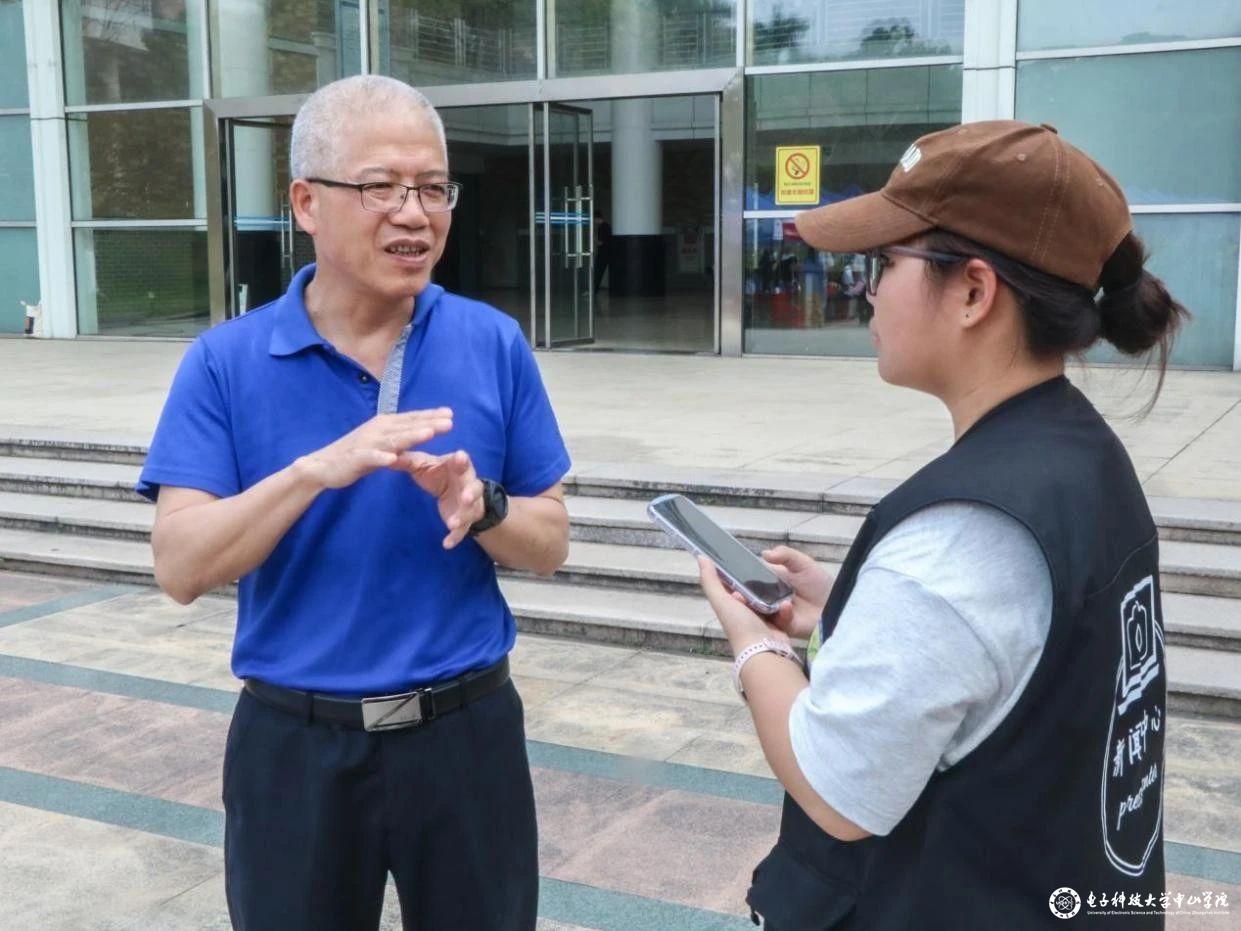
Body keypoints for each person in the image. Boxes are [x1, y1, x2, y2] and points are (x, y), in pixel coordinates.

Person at [696, 121, 1185, 928]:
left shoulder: (959, 537)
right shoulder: (1081, 452)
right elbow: (1016, 655)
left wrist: (755, 644)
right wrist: (853, 608)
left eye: (884, 264)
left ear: (972, 292)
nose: (866, 291)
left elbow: (835, 791)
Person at [137, 75, 571, 931]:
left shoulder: (491, 341)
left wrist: (483, 506)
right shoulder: (225, 361)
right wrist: (312, 472)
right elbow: (179, 565)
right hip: (296, 745)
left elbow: (551, 540)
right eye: (381, 187)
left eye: (433, 188)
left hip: (466, 736)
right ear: (306, 202)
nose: (415, 214)